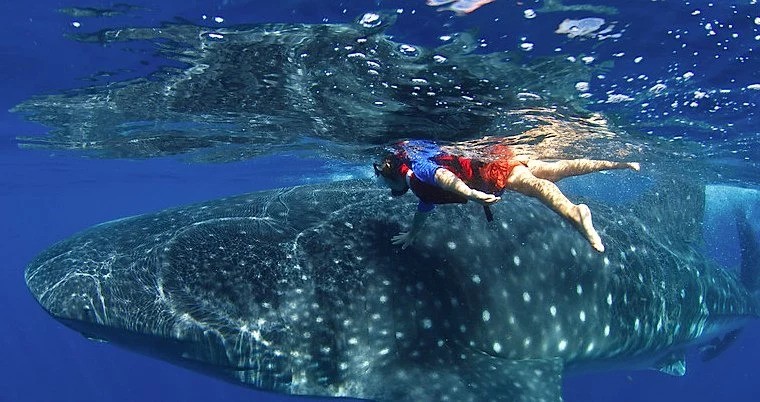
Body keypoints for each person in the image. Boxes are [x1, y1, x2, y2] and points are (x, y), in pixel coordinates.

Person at [374, 140, 640, 253]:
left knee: (537, 187)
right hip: (497, 154)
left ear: (391, 175)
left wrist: (472, 193)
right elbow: (424, 209)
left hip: (489, 171)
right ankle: (618, 164)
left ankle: (575, 214)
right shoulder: (417, 172)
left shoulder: (418, 168)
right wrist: (413, 233)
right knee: (559, 169)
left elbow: (443, 177)